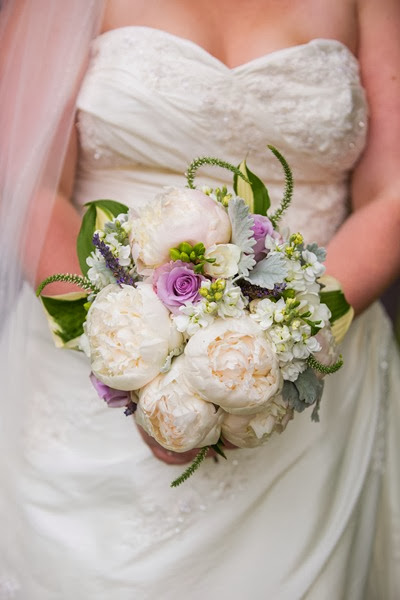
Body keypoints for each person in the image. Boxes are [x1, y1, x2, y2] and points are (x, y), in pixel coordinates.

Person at [0, 0, 399, 598]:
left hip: (311, 380)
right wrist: (136, 364)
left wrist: (281, 346)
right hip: (86, 382)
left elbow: (391, 195)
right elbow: (29, 184)